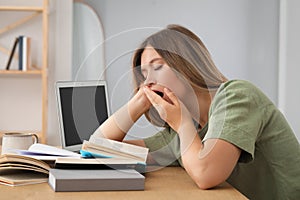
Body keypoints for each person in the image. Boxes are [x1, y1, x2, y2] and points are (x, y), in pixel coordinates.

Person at [89, 24, 300, 199]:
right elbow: (98, 147)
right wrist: (138, 103)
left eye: (158, 66)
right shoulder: (183, 130)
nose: (149, 81)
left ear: (188, 64)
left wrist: (181, 124)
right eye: (144, 74)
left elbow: (206, 174)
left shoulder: (237, 97)